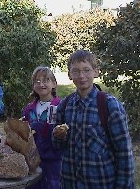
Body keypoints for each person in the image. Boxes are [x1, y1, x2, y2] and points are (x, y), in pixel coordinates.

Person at [52, 49, 134, 188]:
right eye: (76, 71)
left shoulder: (109, 105)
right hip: (70, 182)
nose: (81, 76)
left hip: (101, 183)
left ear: (96, 72)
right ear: (70, 74)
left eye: (86, 70)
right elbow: (58, 146)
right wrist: (58, 136)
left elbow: (124, 153)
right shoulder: (65, 105)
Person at [22, 66, 63, 189]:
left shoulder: (61, 107)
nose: (41, 84)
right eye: (37, 81)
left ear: (54, 84)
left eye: (46, 80)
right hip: (33, 163)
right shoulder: (29, 109)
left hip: (54, 164)